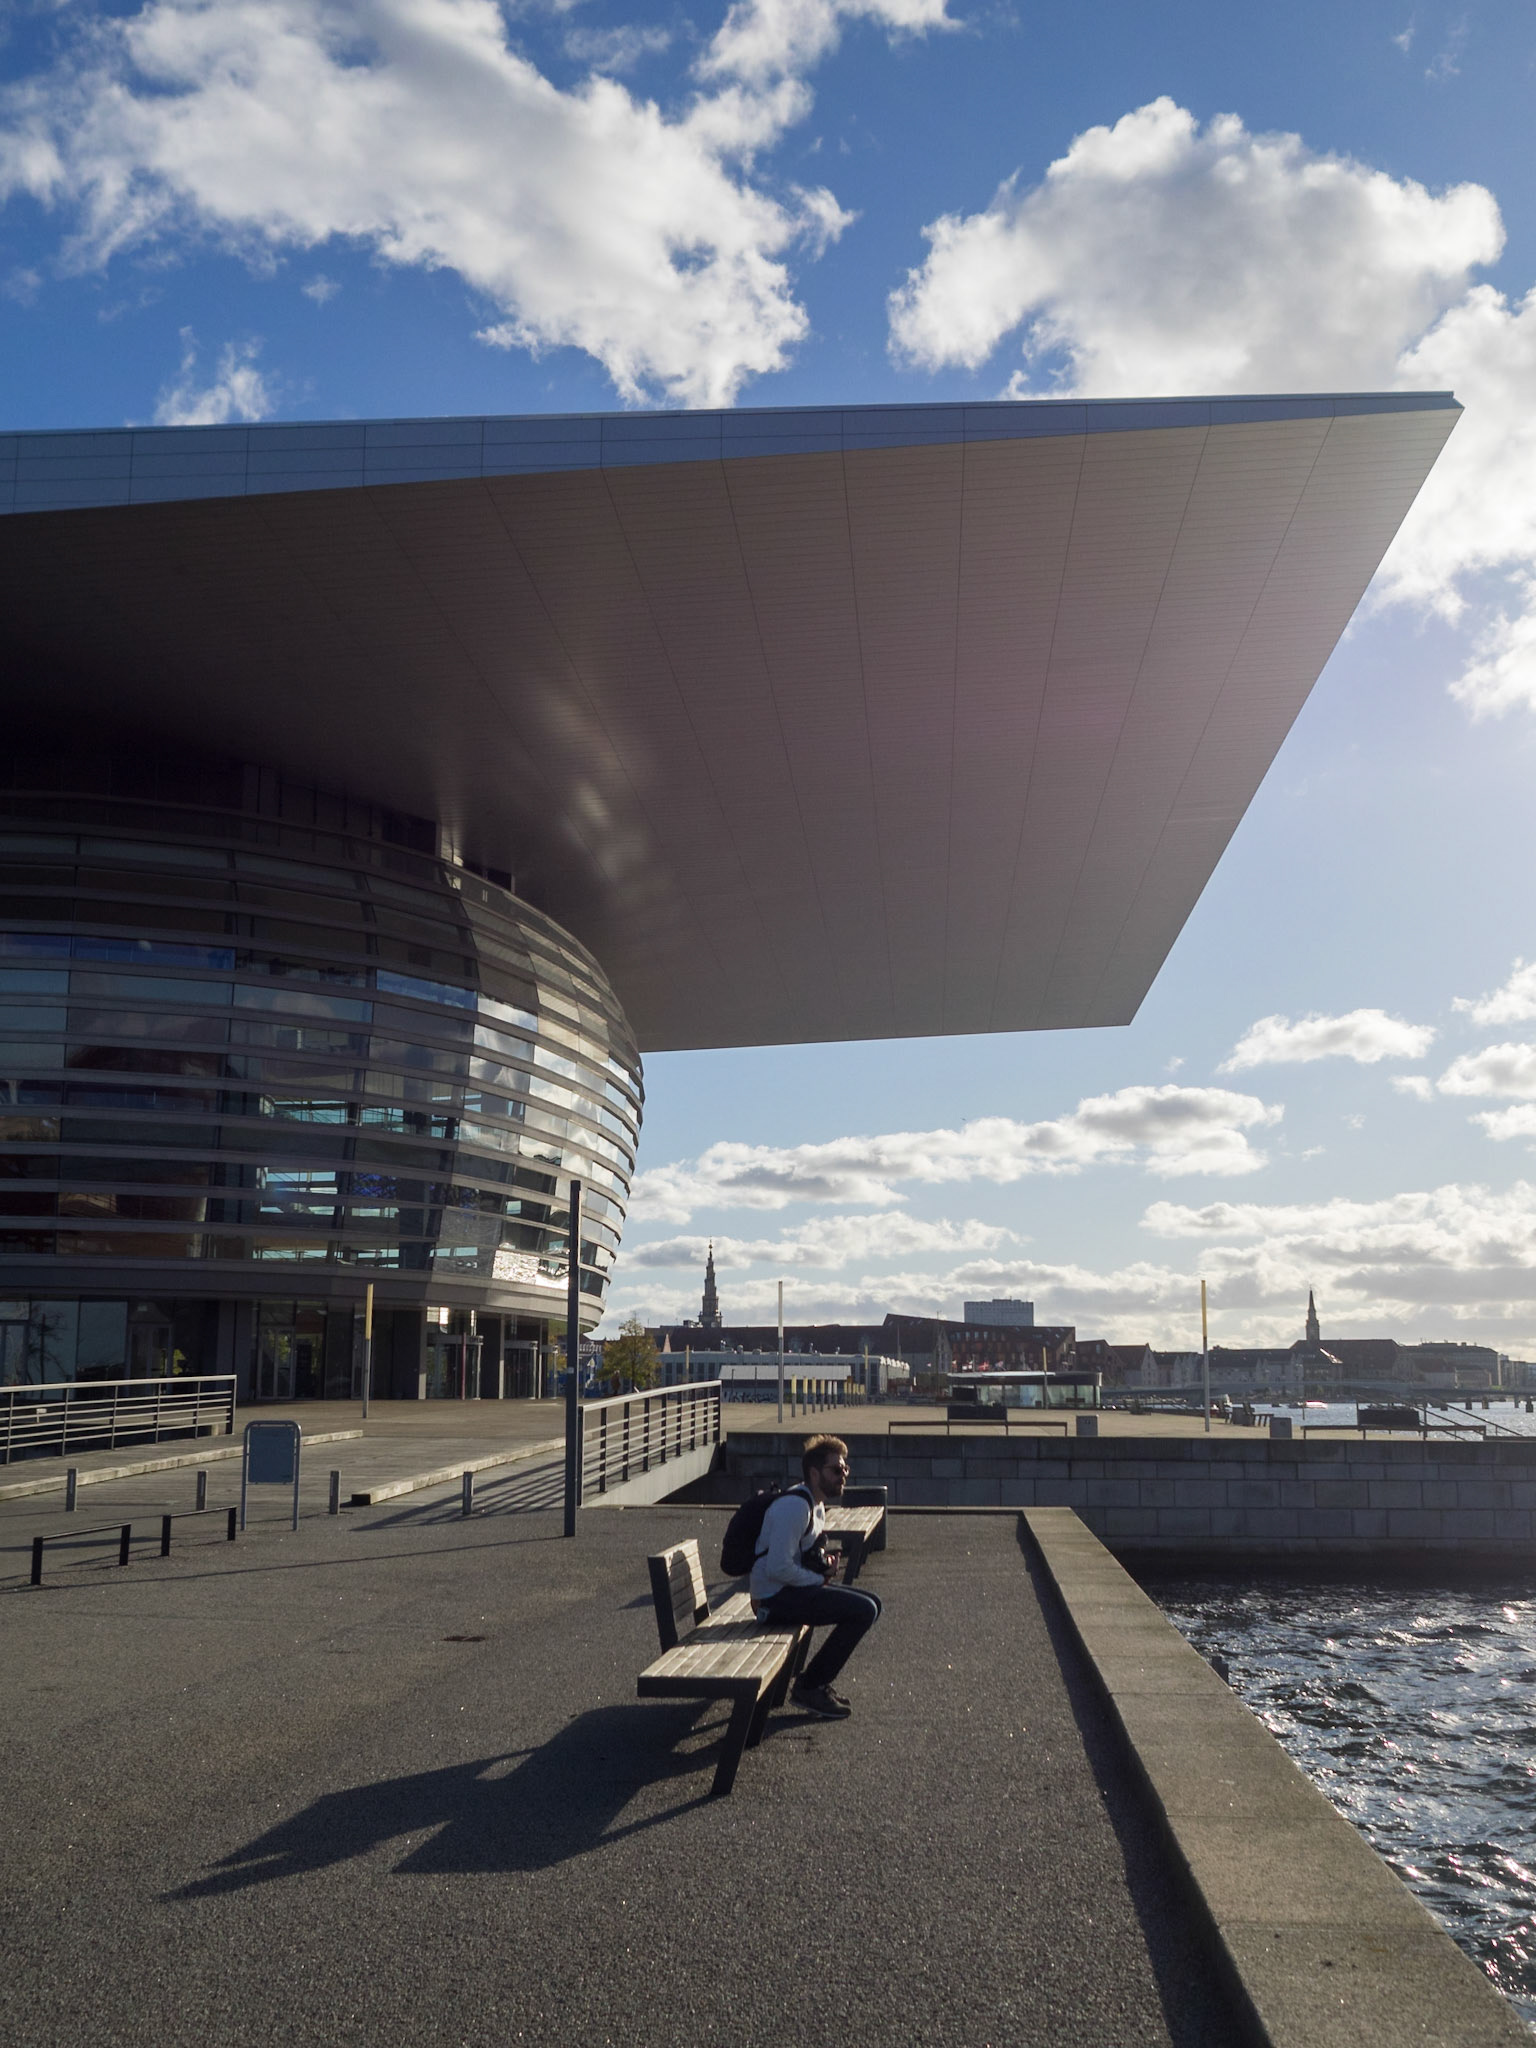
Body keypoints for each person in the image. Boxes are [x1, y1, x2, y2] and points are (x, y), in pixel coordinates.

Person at [750, 1432, 882, 1720]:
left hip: (786, 1592)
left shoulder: (816, 1504)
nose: (843, 1475)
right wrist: (818, 1581)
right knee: (863, 1610)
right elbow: (777, 1567)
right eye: (836, 1470)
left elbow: (803, 1556)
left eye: (845, 1469)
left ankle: (815, 1683)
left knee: (873, 1604)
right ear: (814, 1472)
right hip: (771, 1600)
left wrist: (823, 1565)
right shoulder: (794, 1507)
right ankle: (809, 1686)